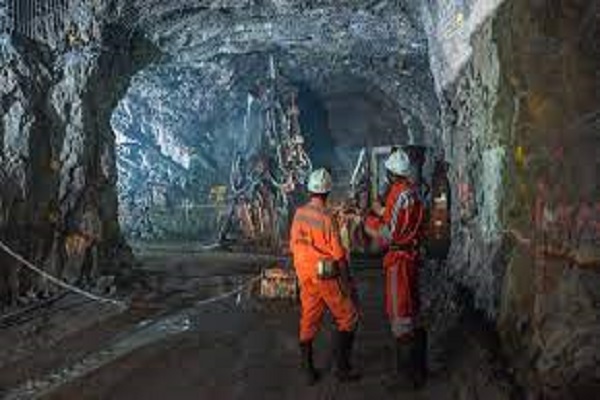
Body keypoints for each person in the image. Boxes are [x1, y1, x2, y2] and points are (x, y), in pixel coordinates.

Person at [290, 168, 360, 385]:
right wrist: (347, 283)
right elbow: (338, 255)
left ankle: (308, 371)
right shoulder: (327, 217)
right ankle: (342, 369)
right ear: (327, 192)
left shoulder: (299, 214)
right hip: (325, 275)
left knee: (309, 319)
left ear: (310, 190)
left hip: (305, 275)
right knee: (348, 317)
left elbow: (293, 245)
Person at [365, 149, 428, 389]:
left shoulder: (397, 193)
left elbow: (389, 233)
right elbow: (405, 220)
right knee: (412, 310)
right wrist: (382, 212)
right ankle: (419, 370)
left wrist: (369, 222)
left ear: (391, 174)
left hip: (398, 260)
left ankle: (406, 377)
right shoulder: (413, 192)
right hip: (411, 257)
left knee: (399, 312)